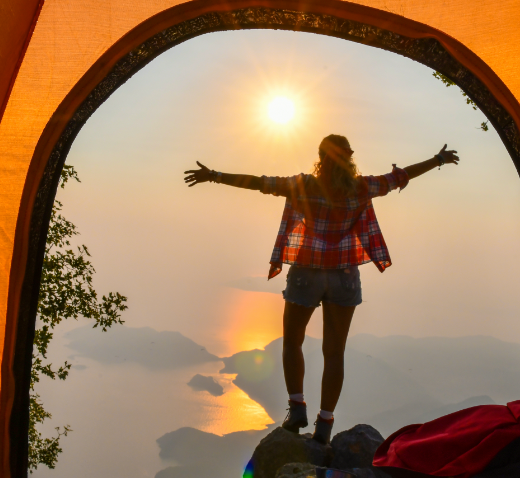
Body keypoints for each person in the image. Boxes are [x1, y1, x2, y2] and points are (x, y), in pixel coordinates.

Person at [184, 135, 459, 444]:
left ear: (320, 157)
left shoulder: (303, 185)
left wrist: (215, 176)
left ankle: (297, 407)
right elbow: (401, 176)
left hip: (307, 274)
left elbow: (259, 183)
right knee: (335, 353)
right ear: (349, 158)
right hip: (343, 277)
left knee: (292, 342)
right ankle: (325, 424)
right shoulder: (362, 187)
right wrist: (437, 160)